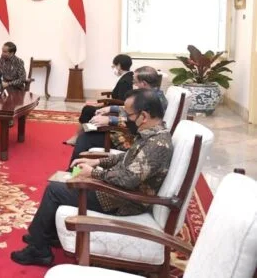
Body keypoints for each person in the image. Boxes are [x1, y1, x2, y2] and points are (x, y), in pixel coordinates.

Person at [11, 88, 173, 267]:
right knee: (60, 183)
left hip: (121, 199)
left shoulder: (156, 145)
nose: (126, 119)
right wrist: (98, 162)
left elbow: (128, 179)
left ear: (144, 115)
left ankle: (39, 249)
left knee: (54, 190)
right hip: (118, 189)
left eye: (129, 115)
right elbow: (126, 157)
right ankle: (44, 235)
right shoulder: (151, 135)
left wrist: (92, 173)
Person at [67, 66, 167, 165]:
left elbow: (136, 121)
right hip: (129, 130)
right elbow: (131, 110)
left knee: (85, 137)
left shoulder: (154, 100)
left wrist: (110, 120)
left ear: (144, 83)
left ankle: (72, 171)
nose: (134, 85)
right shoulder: (152, 95)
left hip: (132, 137)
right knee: (88, 129)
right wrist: (110, 109)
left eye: (135, 82)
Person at [78, 54, 133, 124]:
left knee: (87, 109)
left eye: (114, 66)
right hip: (115, 106)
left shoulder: (125, 81)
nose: (113, 68)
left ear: (119, 66)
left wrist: (105, 105)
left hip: (119, 110)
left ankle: (86, 131)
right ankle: (88, 129)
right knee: (89, 107)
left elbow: (122, 101)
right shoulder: (128, 76)